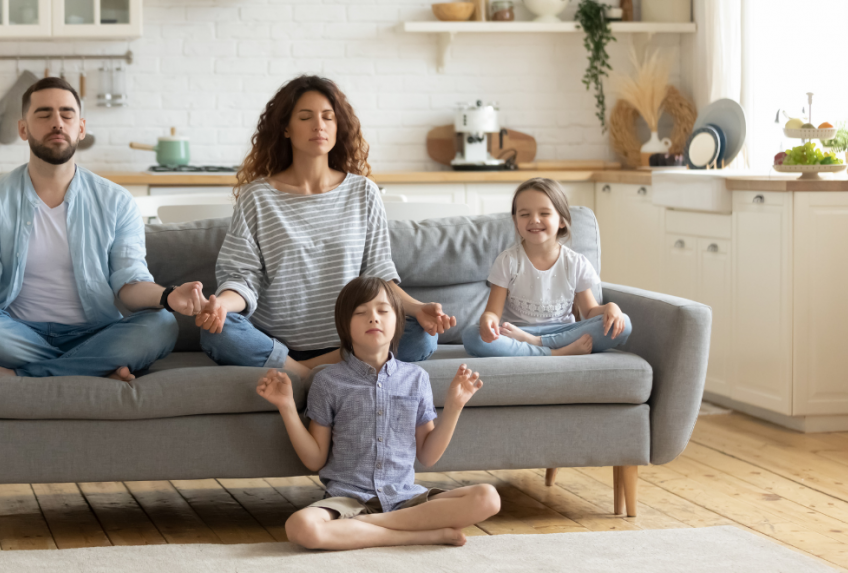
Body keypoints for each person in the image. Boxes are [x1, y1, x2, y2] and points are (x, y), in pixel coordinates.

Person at [0, 77, 205, 380]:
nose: (57, 123)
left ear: (81, 128)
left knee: (162, 324)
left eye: (67, 114)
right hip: (16, 331)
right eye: (44, 114)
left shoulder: (116, 201)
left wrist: (168, 296)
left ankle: (19, 375)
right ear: (23, 128)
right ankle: (92, 371)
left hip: (95, 333)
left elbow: (129, 284)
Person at [197, 75, 455, 379]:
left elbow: (378, 276)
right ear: (285, 129)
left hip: (351, 340)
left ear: (337, 127)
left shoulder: (363, 192)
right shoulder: (258, 196)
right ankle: (310, 372)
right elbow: (242, 276)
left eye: (328, 117)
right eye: (305, 117)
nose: (318, 125)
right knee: (216, 331)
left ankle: (301, 373)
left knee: (421, 334)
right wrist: (221, 306)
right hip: (274, 341)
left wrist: (417, 309)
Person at [256, 277, 500, 550]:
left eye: (383, 311)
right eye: (361, 313)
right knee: (300, 526)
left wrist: (454, 406)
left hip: (406, 499)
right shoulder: (327, 381)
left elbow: (428, 456)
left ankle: (365, 530)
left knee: (488, 498)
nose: (373, 318)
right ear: (345, 326)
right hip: (346, 501)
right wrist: (287, 406)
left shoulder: (416, 378)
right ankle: (419, 535)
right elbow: (314, 459)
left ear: (397, 321)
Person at [462, 178, 632, 358]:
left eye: (544, 213)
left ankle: (538, 345)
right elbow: (492, 313)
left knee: (624, 324)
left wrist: (610, 307)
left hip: (562, 332)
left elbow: (589, 312)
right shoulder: (507, 261)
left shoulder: (576, 262)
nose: (534, 220)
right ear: (515, 221)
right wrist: (488, 321)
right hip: (516, 333)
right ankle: (555, 353)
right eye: (525, 214)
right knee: (472, 336)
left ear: (561, 220)